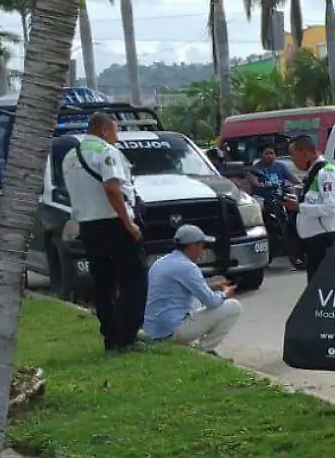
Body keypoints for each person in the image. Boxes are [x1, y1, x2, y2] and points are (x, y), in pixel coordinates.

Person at [63, 111, 146, 352]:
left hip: (89, 227)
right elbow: (112, 188)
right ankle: (128, 335)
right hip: (114, 224)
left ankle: (110, 337)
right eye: (115, 131)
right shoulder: (107, 152)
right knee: (134, 280)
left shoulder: (70, 156)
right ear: (104, 130)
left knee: (103, 284)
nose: (116, 138)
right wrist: (128, 223)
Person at [143, 225, 243, 353]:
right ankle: (204, 350)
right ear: (192, 246)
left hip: (154, 329)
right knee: (234, 307)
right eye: (202, 246)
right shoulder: (188, 267)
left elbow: (180, 290)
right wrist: (225, 293)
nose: (202, 251)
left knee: (196, 298)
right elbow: (211, 301)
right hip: (172, 330)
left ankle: (193, 345)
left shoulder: (160, 262)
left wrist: (212, 287)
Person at [283, 134, 335, 281]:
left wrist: (300, 207)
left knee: (322, 290)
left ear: (304, 152)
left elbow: (332, 208)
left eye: (293, 155)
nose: (292, 161)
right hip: (315, 244)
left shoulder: (326, 173)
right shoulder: (314, 174)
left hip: (326, 242)